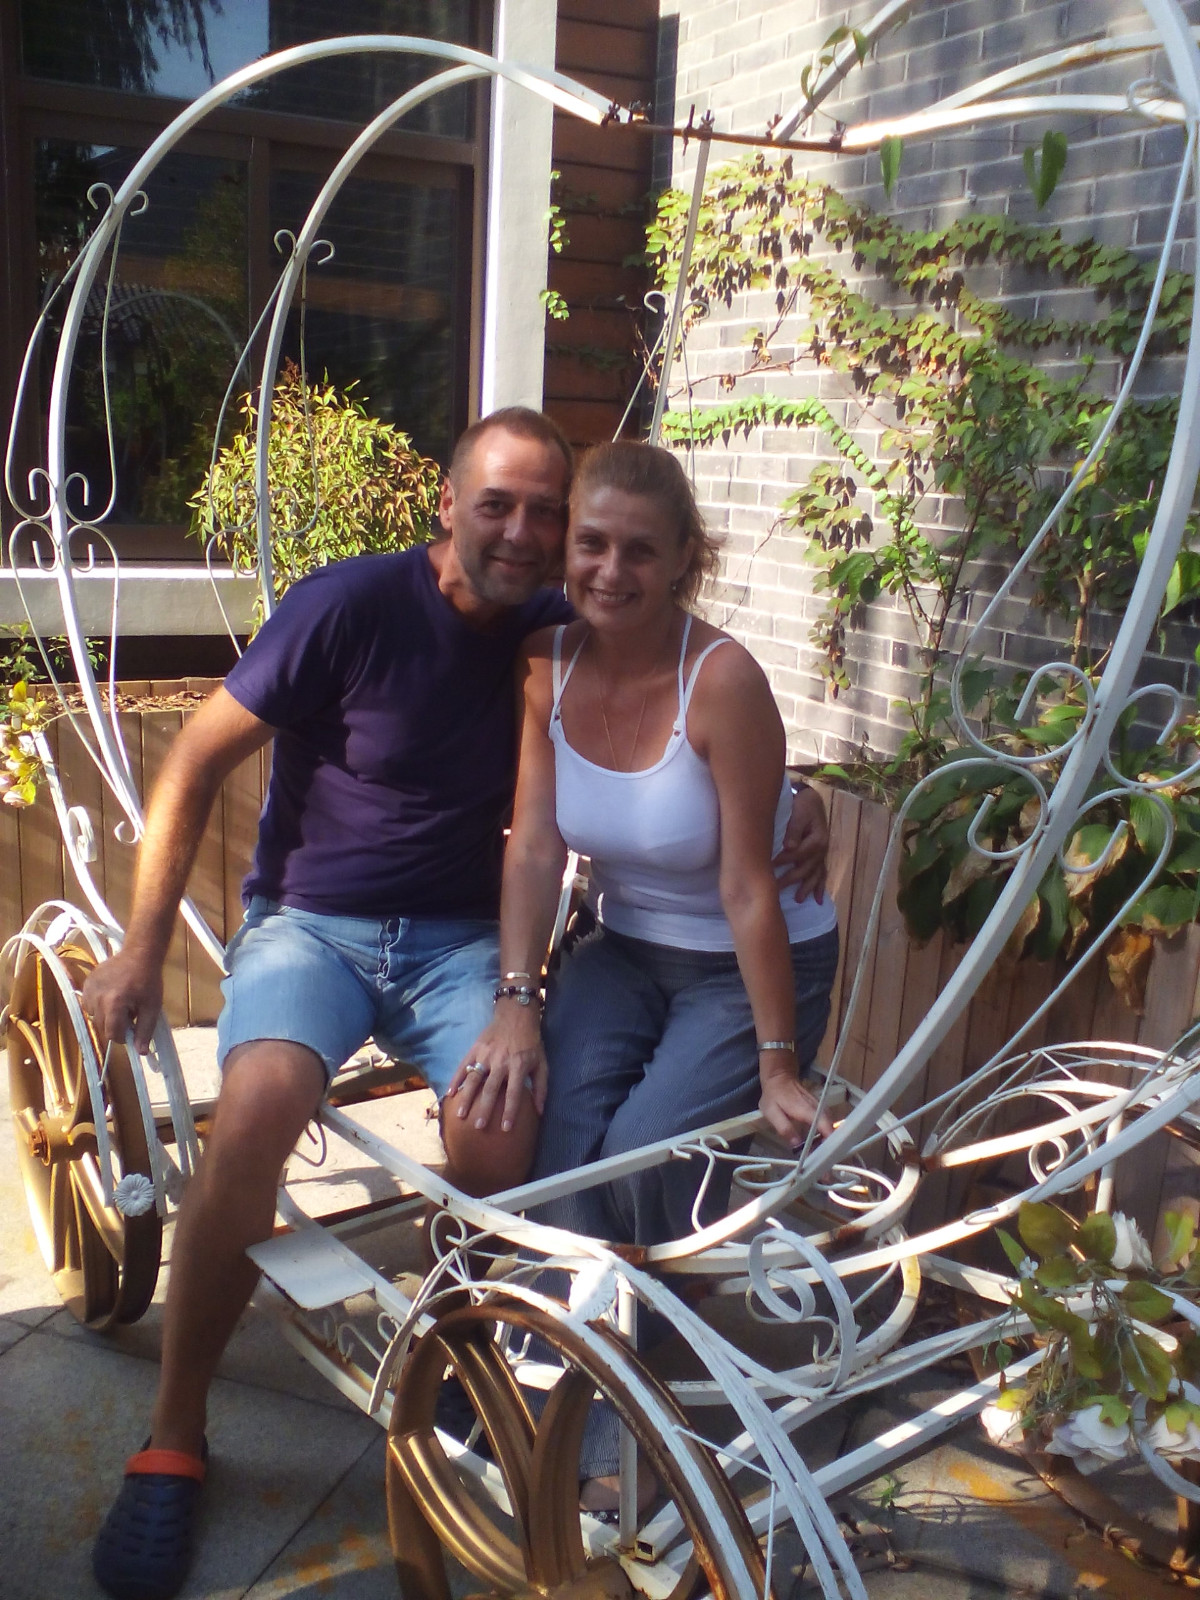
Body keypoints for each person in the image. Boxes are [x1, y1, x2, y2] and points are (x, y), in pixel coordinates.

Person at [79, 409, 831, 1600]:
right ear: (446, 503)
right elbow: (196, 759)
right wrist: (142, 944)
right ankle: (174, 1434)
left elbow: (687, 695)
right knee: (258, 1111)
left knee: (502, 1129)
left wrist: (797, 797)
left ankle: (486, 1354)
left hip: (457, 943)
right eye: (499, 506)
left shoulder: (559, 622)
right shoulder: (348, 606)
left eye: (546, 514)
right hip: (316, 924)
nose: (527, 534)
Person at [450, 441, 839, 1505]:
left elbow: (750, 889)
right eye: (591, 543)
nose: (609, 570)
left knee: (638, 1152)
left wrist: (779, 1064)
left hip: (747, 962)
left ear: (683, 562)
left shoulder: (722, 680)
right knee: (555, 1127)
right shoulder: (547, 663)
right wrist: (518, 1001)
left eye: (639, 551)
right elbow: (535, 845)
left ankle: (607, 1406)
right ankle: (552, 1365)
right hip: (624, 946)